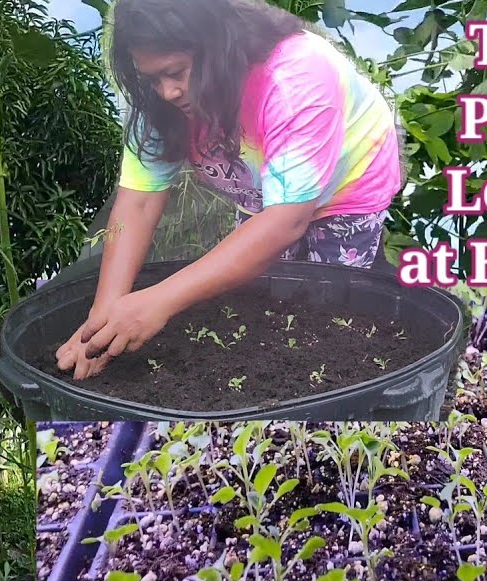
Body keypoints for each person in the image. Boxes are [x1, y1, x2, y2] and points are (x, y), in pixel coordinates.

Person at [56, 0, 404, 380]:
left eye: (175, 73)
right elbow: (137, 202)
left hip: (347, 187)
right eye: (153, 79)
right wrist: (102, 319)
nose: (167, 92)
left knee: (326, 313)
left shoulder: (294, 78)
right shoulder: (161, 106)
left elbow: (284, 222)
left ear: (216, 45)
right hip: (265, 188)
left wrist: (158, 302)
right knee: (258, 300)